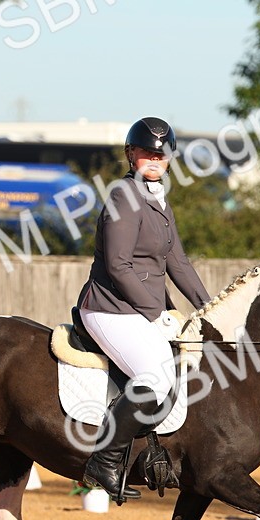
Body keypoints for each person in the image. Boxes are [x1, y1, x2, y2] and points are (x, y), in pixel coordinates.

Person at [76, 116, 212, 500]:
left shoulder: (159, 201)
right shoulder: (124, 195)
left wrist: (210, 309)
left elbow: (178, 262)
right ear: (130, 154)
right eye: (146, 153)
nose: (155, 159)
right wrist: (156, 313)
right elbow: (119, 265)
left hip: (140, 310)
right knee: (155, 376)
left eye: (161, 154)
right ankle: (104, 461)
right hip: (110, 308)